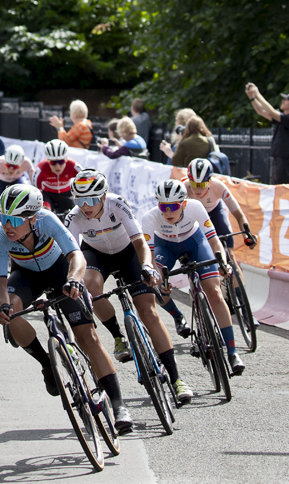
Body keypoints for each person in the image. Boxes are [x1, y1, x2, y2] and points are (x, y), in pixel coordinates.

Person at [0, 183, 134, 434]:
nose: (7, 226)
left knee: (88, 337)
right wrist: (2, 304)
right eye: (3, 217)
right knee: (12, 313)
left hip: (60, 273)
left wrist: (75, 279)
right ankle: (48, 364)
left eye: (14, 219)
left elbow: (77, 256)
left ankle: (119, 405)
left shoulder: (47, 221)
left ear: (32, 218)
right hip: (26, 276)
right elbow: (0, 281)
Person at [65, 169, 194, 406]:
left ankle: (176, 379)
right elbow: (73, 255)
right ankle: (117, 335)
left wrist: (146, 265)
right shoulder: (74, 217)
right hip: (97, 255)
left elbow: (139, 241)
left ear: (103, 196)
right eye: (80, 200)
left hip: (128, 254)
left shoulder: (117, 204)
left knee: (148, 312)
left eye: (92, 200)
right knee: (90, 287)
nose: (86, 206)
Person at [143, 179, 245, 376]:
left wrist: (222, 263)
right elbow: (151, 258)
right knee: (154, 284)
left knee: (214, 292)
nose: (168, 212)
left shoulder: (195, 207)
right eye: (163, 206)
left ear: (183, 203)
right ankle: (178, 316)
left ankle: (232, 352)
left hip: (195, 242)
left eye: (173, 206)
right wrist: (158, 278)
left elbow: (214, 241)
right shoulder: (150, 218)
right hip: (166, 247)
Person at [185, 158, 257, 250]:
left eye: (202, 185)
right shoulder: (183, 188)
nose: (198, 189)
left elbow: (239, 216)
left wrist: (247, 235)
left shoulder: (218, 187)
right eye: (194, 185)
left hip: (214, 212)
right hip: (195, 217)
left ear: (209, 181)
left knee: (229, 251)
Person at [246, 84, 289, 185]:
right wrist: (252, 97)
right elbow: (261, 112)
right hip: (279, 160)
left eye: (286, 100)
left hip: (285, 162)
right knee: (276, 189)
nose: (283, 101)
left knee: (282, 190)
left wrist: (257, 93)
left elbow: (271, 111)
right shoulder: (283, 119)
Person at [35, 139, 79, 216]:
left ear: (66, 159)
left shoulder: (73, 165)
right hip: (48, 195)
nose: (57, 166)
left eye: (61, 162)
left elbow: (83, 181)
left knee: (75, 213)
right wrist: (41, 204)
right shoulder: (41, 168)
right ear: (48, 160)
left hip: (66, 193)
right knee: (45, 213)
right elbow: (36, 190)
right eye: (53, 162)